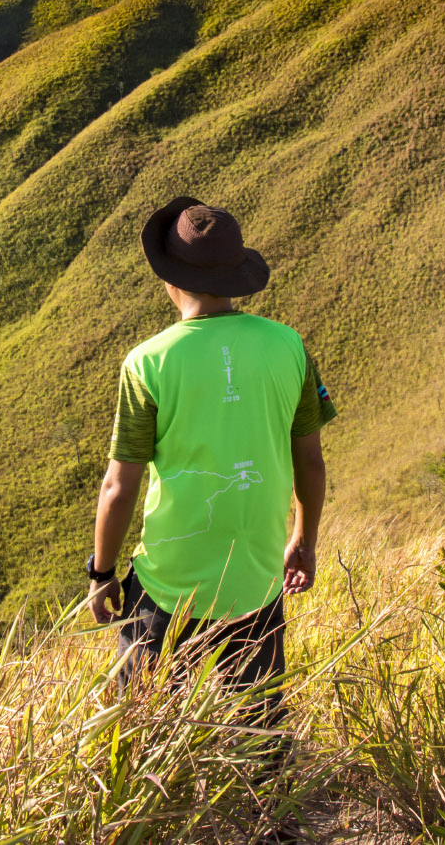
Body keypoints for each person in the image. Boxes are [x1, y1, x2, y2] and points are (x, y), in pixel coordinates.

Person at [86, 196, 335, 710]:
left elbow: (119, 485)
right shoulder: (290, 346)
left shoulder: (147, 363)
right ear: (238, 274)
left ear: (168, 278)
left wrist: (102, 574)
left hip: (166, 588)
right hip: (256, 584)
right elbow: (309, 462)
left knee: (143, 732)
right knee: (258, 730)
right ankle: (266, 791)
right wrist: (303, 540)